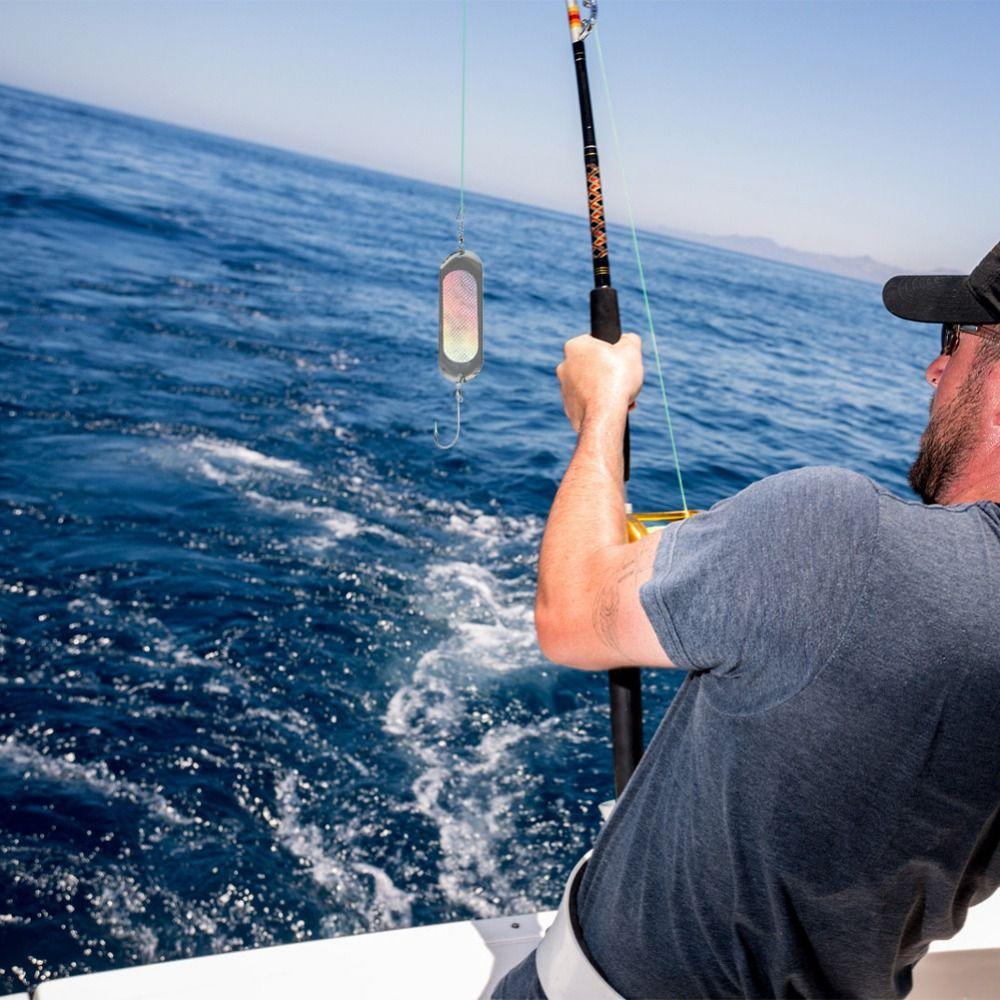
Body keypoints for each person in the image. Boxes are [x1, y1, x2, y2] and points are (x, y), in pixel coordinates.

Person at [494, 242, 1000, 999]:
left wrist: (600, 411)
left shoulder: (840, 533)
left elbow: (570, 616)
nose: (934, 370)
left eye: (952, 341)